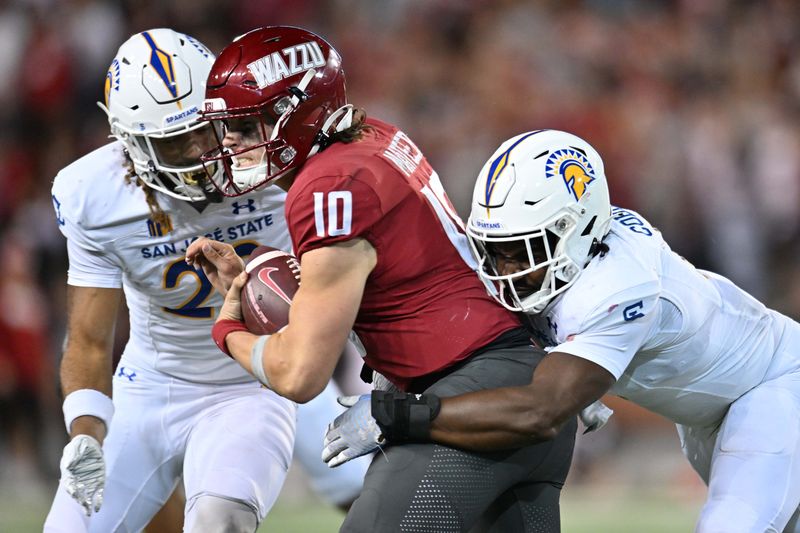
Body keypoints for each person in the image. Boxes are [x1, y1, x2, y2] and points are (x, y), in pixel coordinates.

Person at [187, 26, 577, 532]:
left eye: (247, 125)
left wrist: (227, 330)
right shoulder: (371, 139)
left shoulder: (327, 187)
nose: (231, 144)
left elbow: (300, 376)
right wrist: (260, 282)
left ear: (295, 112)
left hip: (469, 401)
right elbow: (389, 284)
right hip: (510, 389)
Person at [324, 129, 800, 533]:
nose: (506, 269)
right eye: (497, 249)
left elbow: (541, 412)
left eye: (524, 250)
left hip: (772, 386)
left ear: (579, 227)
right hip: (706, 409)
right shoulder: (579, 260)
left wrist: (398, 414)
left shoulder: (619, 284)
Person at [43, 28, 367, 533]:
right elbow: (88, 337)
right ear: (132, 145)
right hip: (150, 383)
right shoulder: (93, 196)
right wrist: (85, 435)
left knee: (222, 521)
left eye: (204, 129)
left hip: (255, 381)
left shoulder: (275, 161)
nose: (199, 152)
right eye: (175, 143)